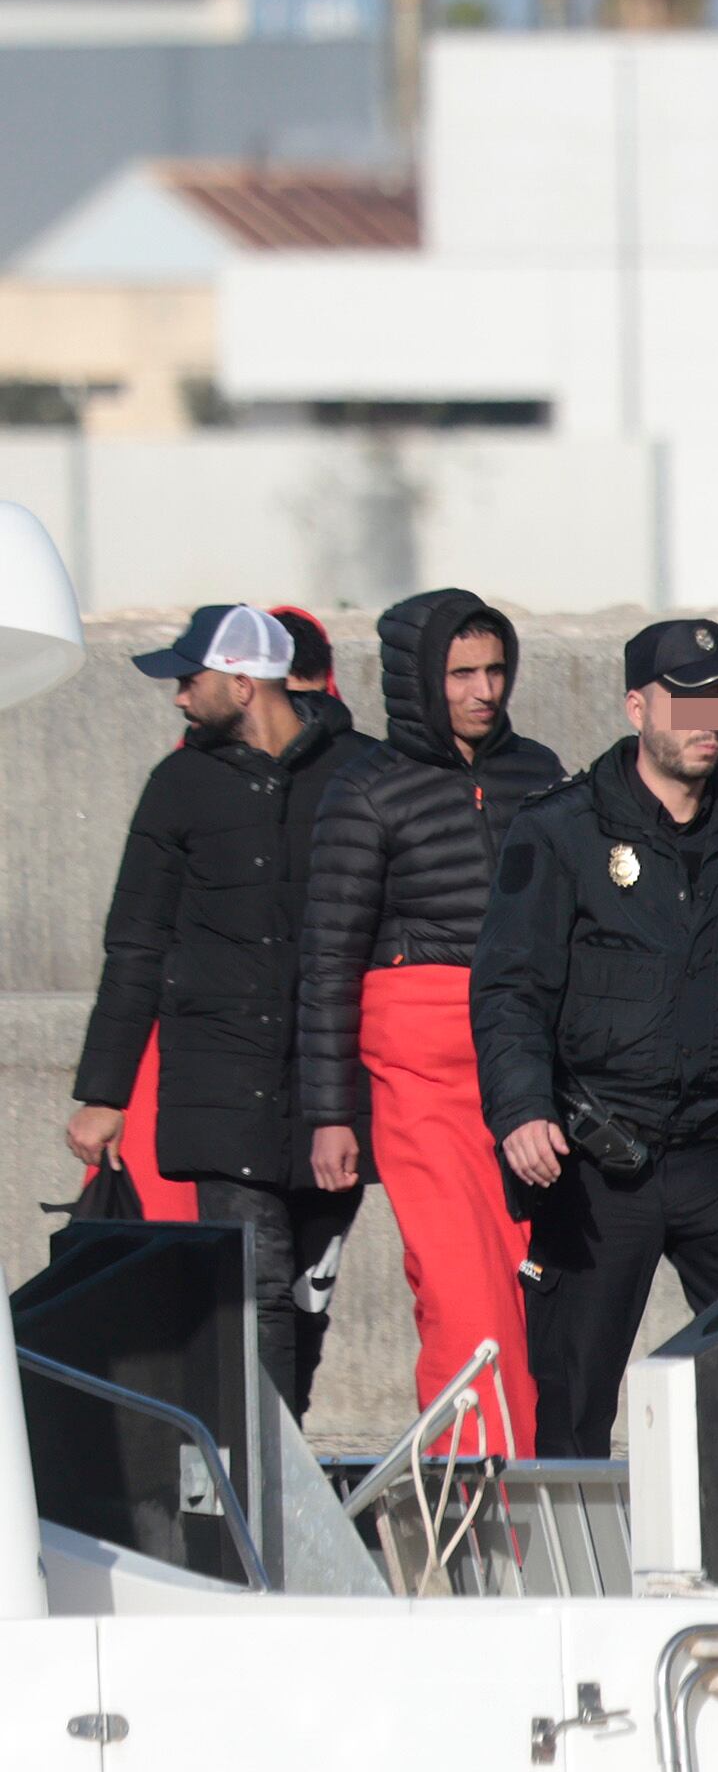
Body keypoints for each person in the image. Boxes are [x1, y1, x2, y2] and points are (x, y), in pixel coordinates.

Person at [472, 618, 718, 1458]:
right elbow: (509, 986)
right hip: (599, 1167)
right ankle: (566, 1588)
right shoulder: (560, 830)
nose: (709, 720)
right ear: (637, 706)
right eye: (687, 699)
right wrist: (522, 1109)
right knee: (573, 1403)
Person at [68, 604, 362, 1414]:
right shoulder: (178, 785)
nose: (177, 697)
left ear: (241, 684)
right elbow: (136, 944)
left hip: (334, 1090)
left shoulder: (361, 773)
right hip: (221, 1084)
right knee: (257, 1290)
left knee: (305, 1296)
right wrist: (105, 1093)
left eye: (188, 679)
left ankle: (283, 1453)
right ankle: (263, 1491)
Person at [298, 588, 563, 1452]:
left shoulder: (539, 774)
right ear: (419, 681)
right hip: (419, 1075)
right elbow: (329, 959)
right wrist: (330, 1115)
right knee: (462, 1295)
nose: (484, 690)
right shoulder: (364, 790)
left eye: (494, 670)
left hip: (528, 1065)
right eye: (461, 674)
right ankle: (479, 1509)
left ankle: (532, 1496)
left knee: (534, 1292)